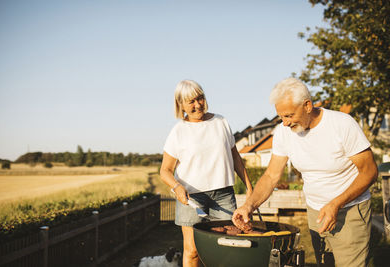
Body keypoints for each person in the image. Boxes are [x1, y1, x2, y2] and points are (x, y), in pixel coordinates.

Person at [232, 77, 378, 267]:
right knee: (325, 264)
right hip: (316, 211)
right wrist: (248, 205)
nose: (285, 123)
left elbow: (369, 172)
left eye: (289, 116)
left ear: (307, 105)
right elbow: (271, 176)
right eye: (281, 116)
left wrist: (336, 204)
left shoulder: (342, 124)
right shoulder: (283, 132)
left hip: (349, 211)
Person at [160, 79, 253, 267]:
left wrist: (250, 188)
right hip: (192, 199)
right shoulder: (178, 131)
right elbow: (165, 171)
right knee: (192, 252)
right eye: (191, 101)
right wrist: (176, 186)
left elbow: (236, 158)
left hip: (224, 195)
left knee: (228, 248)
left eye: (200, 98)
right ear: (181, 105)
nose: (197, 104)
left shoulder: (221, 122)